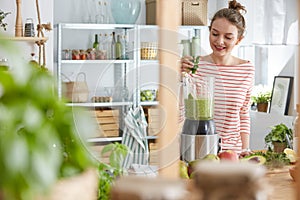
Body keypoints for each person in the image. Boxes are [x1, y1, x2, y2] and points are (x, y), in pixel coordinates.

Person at [181, 0, 254, 155]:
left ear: (238, 40)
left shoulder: (246, 69)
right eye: (215, 34)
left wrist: (245, 148)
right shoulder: (195, 65)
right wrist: (178, 76)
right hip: (198, 150)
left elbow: (243, 113)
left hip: (232, 153)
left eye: (228, 37)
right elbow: (182, 110)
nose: (219, 41)